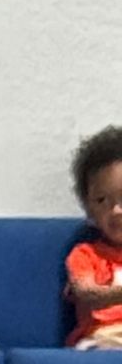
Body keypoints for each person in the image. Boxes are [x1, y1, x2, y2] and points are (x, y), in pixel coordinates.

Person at [66, 126, 122, 350]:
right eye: (102, 200)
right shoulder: (85, 254)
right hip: (101, 337)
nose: (116, 210)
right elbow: (87, 294)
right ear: (89, 210)